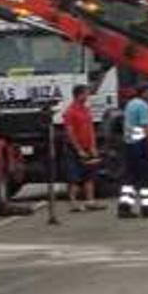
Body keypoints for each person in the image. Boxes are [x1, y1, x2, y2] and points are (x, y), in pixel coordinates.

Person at [119, 82, 148, 218]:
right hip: (141, 144)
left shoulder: (130, 104)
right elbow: (147, 127)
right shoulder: (143, 106)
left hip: (129, 144)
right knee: (146, 177)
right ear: (144, 93)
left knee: (130, 177)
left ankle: (124, 208)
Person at [62, 84, 107, 212]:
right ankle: (73, 203)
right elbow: (70, 133)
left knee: (90, 175)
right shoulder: (70, 112)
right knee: (74, 177)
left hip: (87, 147)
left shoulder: (86, 110)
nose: (88, 96)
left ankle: (90, 201)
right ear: (79, 95)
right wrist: (78, 150)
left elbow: (91, 129)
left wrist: (93, 146)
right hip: (74, 149)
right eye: (86, 93)